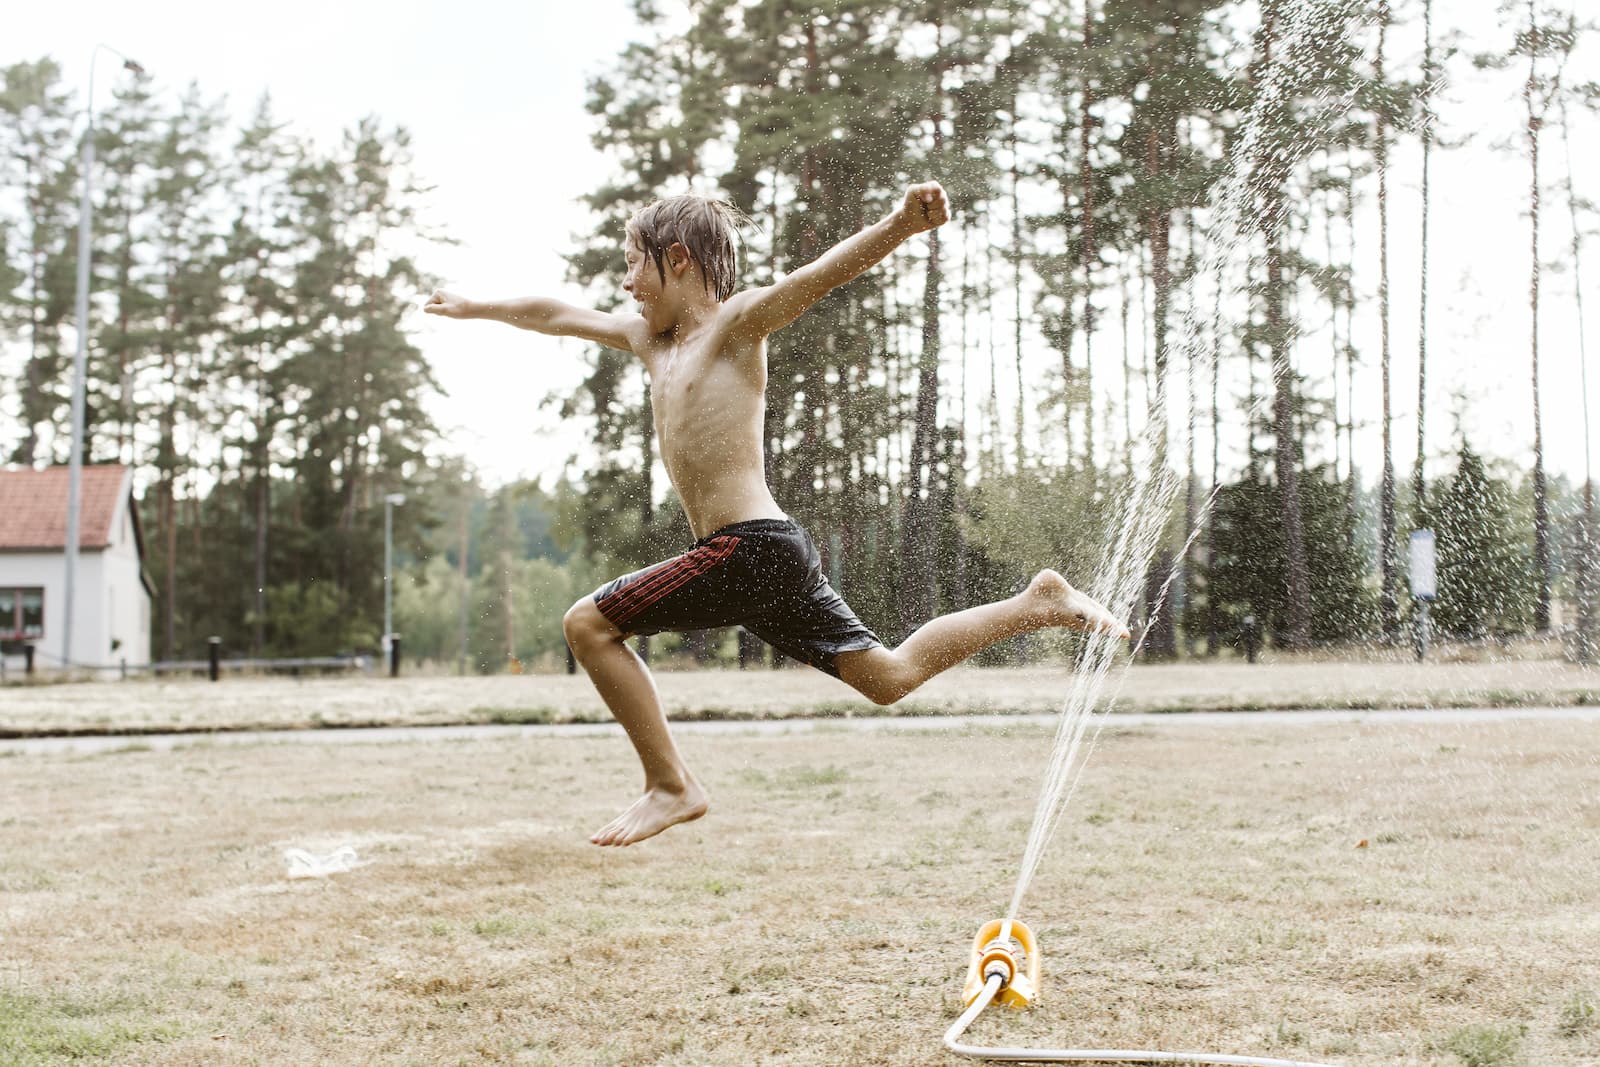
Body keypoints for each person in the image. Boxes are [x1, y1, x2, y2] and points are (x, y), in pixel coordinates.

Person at [424, 181, 1129, 847]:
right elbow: (555, 314)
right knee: (888, 678)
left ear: (677, 260)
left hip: (750, 548)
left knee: (588, 622)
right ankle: (1038, 602)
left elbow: (816, 277)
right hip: (759, 557)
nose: (627, 284)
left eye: (634, 264)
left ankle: (671, 783)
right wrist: (476, 306)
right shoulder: (648, 342)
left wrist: (900, 224)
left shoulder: (735, 326)